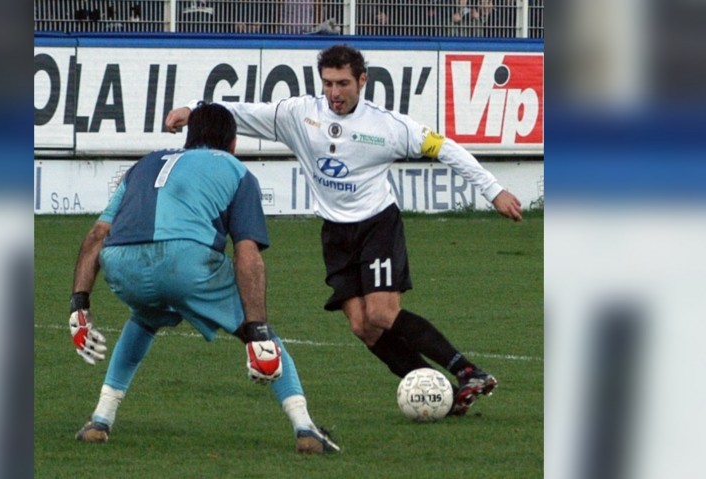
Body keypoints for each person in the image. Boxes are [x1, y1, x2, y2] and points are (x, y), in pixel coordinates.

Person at [165, 44, 523, 417]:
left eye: (343, 83)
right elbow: (238, 111)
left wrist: (493, 190)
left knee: (382, 314)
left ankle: (468, 371)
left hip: (377, 225)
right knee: (362, 326)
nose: (335, 93)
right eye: (328, 83)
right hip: (336, 232)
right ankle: (444, 398)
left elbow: (444, 148)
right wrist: (193, 109)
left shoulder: (388, 127)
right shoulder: (299, 115)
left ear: (362, 80)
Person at [68, 103, 339, 454]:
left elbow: (97, 235)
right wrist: (255, 329)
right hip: (184, 262)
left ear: (189, 137)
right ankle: (305, 428)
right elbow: (247, 255)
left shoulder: (143, 165)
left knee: (145, 318)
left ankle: (100, 419)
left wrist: (79, 304)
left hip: (122, 263)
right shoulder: (235, 170)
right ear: (233, 142)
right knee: (258, 334)